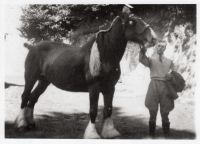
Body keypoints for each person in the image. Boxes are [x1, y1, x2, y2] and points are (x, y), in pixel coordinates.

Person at [139, 40, 177, 138]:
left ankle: (167, 136)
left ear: (165, 48)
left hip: (165, 86)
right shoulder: (151, 59)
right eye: (158, 46)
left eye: (162, 46)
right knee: (152, 111)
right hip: (154, 85)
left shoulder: (169, 61)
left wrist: (171, 76)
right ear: (156, 47)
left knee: (165, 112)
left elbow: (175, 72)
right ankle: (152, 136)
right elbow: (142, 60)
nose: (160, 48)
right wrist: (143, 50)